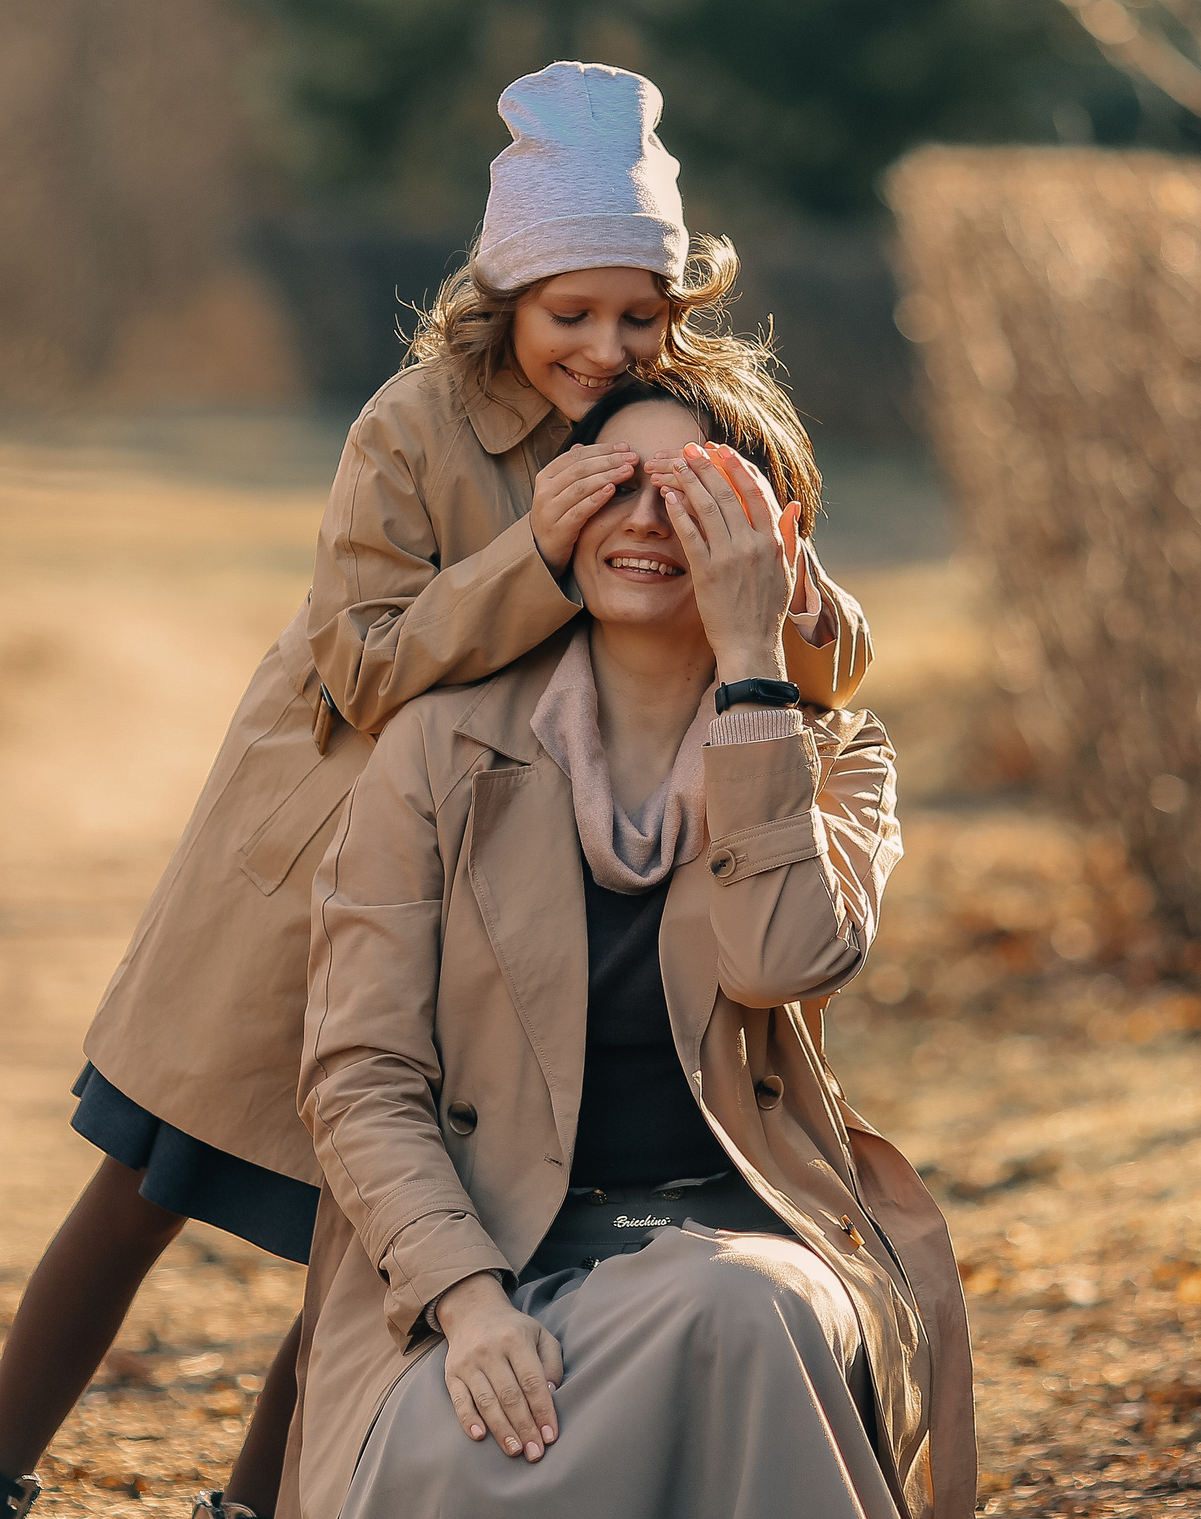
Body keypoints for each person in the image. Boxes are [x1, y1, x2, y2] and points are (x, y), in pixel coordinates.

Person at [0, 62, 873, 1519]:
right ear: (504, 297)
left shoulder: (686, 430)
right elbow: (360, 663)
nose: (606, 349)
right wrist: (531, 560)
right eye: (572, 315)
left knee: (382, 1222)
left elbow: (838, 655)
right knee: (146, 1178)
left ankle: (260, 1503)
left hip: (490, 886)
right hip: (310, 860)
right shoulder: (415, 427)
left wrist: (777, 600)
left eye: (640, 315)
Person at [291, 373, 974, 1519]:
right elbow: (357, 1072)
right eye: (617, 485)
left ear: (779, 536)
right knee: (461, 1451)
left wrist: (754, 668)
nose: (649, 523)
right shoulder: (435, 750)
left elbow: (778, 961)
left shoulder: (833, 758)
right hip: (486, 1251)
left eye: (697, 495)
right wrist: (466, 1300)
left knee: (745, 1318)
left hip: (740, 1231)